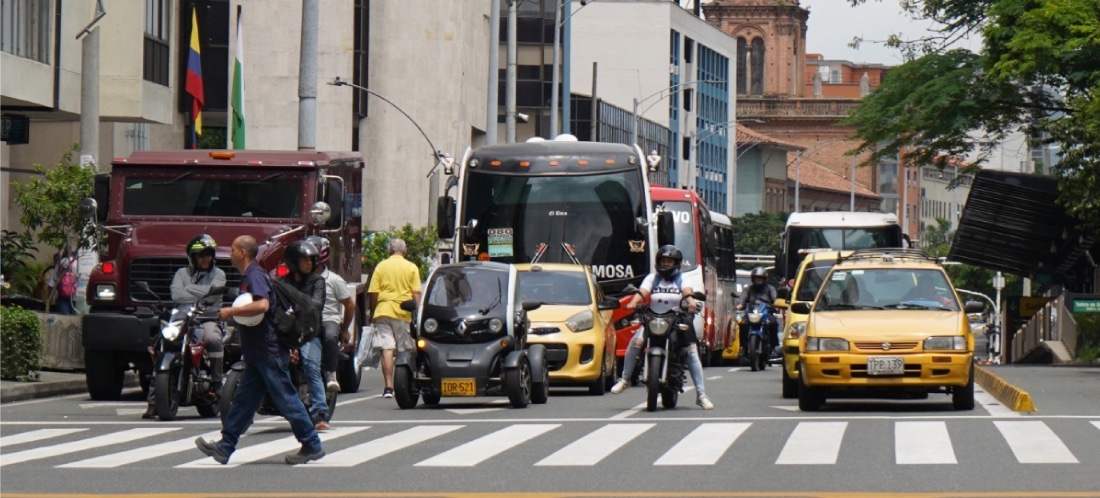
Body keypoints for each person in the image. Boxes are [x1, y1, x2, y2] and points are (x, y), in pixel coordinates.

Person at [196, 235, 324, 465]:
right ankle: (225, 447)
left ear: (242, 253)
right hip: (257, 353)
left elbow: (262, 305)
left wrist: (230, 313)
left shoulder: (254, 275)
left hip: (268, 351)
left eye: (233, 248)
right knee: (243, 402)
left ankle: (312, 443)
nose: (231, 252)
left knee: (287, 399)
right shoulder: (251, 274)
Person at [610, 245, 714, 410]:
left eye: (669, 261)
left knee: (691, 351)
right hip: (653, 317)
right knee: (636, 341)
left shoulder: (681, 278)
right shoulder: (652, 278)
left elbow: (687, 292)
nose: (666, 264)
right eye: (663, 261)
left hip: (676, 318)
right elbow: (643, 292)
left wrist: (691, 302)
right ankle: (625, 379)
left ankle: (701, 395)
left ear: (676, 263)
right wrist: (633, 302)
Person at [143, 234, 228, 419]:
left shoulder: (219, 274)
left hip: (207, 318)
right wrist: (201, 292)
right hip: (181, 317)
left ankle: (216, 384)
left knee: (213, 338)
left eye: (208, 255)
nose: (205, 259)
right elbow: (176, 295)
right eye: (200, 255)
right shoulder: (181, 273)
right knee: (159, 344)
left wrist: (188, 290)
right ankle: (153, 401)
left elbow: (213, 296)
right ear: (192, 257)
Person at [280, 240, 329, 430]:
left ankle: (320, 413)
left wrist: (295, 307)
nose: (309, 263)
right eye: (304, 260)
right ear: (293, 262)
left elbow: (316, 304)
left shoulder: (317, 281)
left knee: (310, 366)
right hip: (287, 331)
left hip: (309, 332)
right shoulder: (283, 282)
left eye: (311, 259)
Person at [367, 238, 422, 399]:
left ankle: (389, 387)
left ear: (389, 251)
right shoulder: (411, 267)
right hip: (403, 312)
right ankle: (404, 383)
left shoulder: (381, 266)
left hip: (383, 311)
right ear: (405, 251)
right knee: (405, 349)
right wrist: (417, 313)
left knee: (387, 348)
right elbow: (416, 293)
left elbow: (373, 292)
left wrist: (372, 312)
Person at [305, 235, 356, 395]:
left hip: (328, 320)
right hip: (305, 320)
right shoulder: (298, 279)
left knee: (330, 336)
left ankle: (330, 374)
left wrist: (346, 329)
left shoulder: (334, 280)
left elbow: (349, 304)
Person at [738, 266, 779, 357]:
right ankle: (743, 347)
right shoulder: (748, 289)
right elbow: (742, 297)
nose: (758, 280)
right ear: (753, 279)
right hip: (751, 312)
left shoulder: (770, 289)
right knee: (743, 324)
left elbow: (775, 298)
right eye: (756, 278)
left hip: (766, 312)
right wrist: (740, 304)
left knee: (773, 324)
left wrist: (776, 305)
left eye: (760, 278)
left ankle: (773, 347)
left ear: (764, 279)